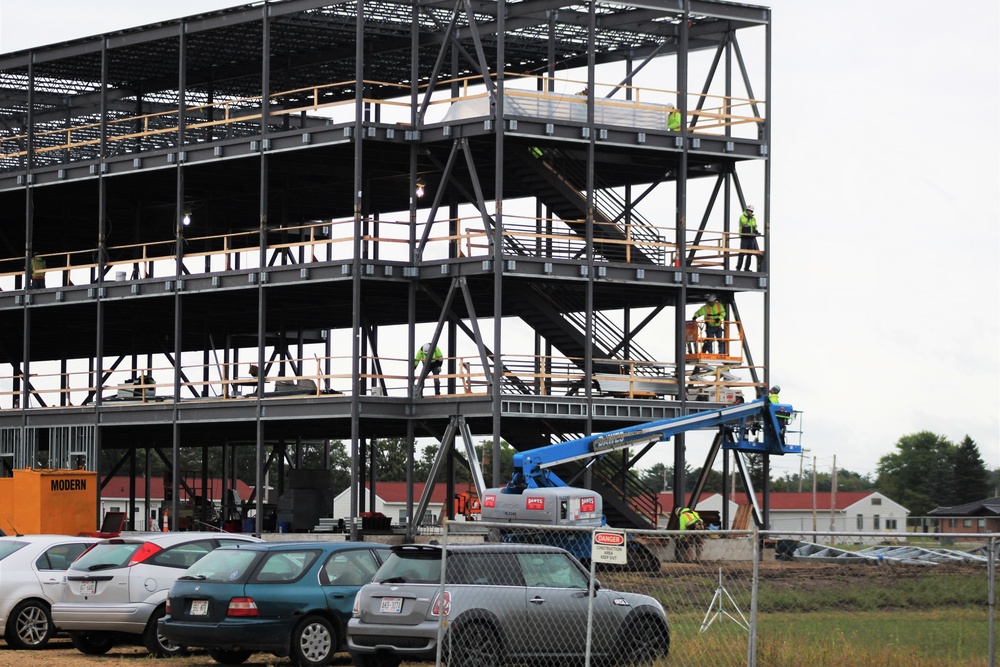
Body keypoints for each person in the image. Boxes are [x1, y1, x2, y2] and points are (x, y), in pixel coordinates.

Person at [736, 204, 759, 271]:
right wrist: (748, 218)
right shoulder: (742, 217)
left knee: (750, 253)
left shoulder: (753, 219)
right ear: (746, 210)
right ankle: (738, 267)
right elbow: (743, 223)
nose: (750, 212)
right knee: (742, 253)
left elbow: (754, 226)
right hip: (745, 237)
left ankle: (747, 268)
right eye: (749, 211)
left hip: (751, 238)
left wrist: (756, 231)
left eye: (751, 211)